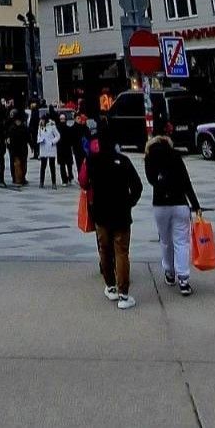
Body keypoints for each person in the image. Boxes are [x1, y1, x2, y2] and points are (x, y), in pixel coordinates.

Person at [79, 123, 143, 310]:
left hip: (100, 213)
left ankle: (110, 286)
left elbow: (83, 182)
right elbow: (138, 186)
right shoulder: (123, 161)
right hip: (121, 213)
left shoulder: (92, 161)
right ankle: (124, 294)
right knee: (122, 252)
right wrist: (129, 202)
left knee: (105, 250)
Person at [145, 132, 202, 297]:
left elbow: (151, 180)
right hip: (180, 203)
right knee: (181, 242)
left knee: (165, 241)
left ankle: (169, 272)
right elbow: (186, 182)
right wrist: (195, 204)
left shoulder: (149, 158)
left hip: (160, 204)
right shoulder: (176, 156)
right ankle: (184, 280)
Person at [7, 111, 30, 186]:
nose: (18, 122)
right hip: (14, 149)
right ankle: (15, 178)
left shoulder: (24, 128)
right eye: (17, 120)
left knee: (24, 164)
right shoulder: (11, 128)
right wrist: (9, 147)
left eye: (19, 121)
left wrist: (32, 145)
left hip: (23, 149)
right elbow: (9, 140)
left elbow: (28, 138)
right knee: (15, 164)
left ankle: (22, 177)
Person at [36, 117, 59, 189]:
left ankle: (54, 183)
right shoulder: (40, 127)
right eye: (41, 120)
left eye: (42, 120)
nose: (41, 121)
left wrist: (53, 142)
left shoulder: (52, 126)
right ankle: (41, 182)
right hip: (43, 149)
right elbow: (38, 136)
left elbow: (58, 136)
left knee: (52, 166)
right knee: (43, 166)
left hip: (51, 148)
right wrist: (40, 140)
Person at [55, 113, 76, 186]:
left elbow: (72, 139)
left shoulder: (68, 128)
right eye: (61, 119)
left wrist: (72, 147)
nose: (62, 120)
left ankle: (70, 177)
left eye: (63, 119)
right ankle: (64, 180)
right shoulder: (57, 128)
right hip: (60, 149)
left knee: (69, 165)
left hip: (67, 149)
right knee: (62, 165)